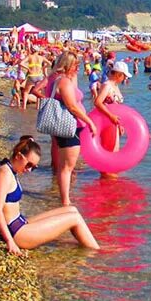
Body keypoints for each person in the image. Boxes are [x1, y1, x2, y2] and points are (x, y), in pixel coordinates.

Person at [0, 136, 99, 253]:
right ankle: (97, 253)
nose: (29, 170)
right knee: (74, 218)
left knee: (71, 209)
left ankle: (90, 248)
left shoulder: (5, 169)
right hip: (18, 234)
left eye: (33, 167)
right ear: (19, 156)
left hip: (20, 224)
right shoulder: (5, 174)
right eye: (29, 164)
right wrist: (9, 241)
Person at [37, 51, 98, 206]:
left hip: (62, 126)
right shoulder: (63, 81)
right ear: (68, 65)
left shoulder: (53, 78)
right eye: (75, 66)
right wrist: (90, 122)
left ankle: (63, 196)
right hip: (70, 127)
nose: (78, 69)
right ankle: (65, 201)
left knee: (65, 166)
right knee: (67, 167)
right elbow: (72, 106)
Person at [92, 61, 131, 178]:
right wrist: (111, 116)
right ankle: (106, 183)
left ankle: (107, 187)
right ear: (119, 74)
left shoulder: (115, 86)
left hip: (114, 123)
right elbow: (98, 102)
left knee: (114, 152)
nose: (125, 79)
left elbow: (117, 109)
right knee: (109, 152)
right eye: (124, 76)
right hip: (107, 122)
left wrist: (120, 125)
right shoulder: (107, 85)